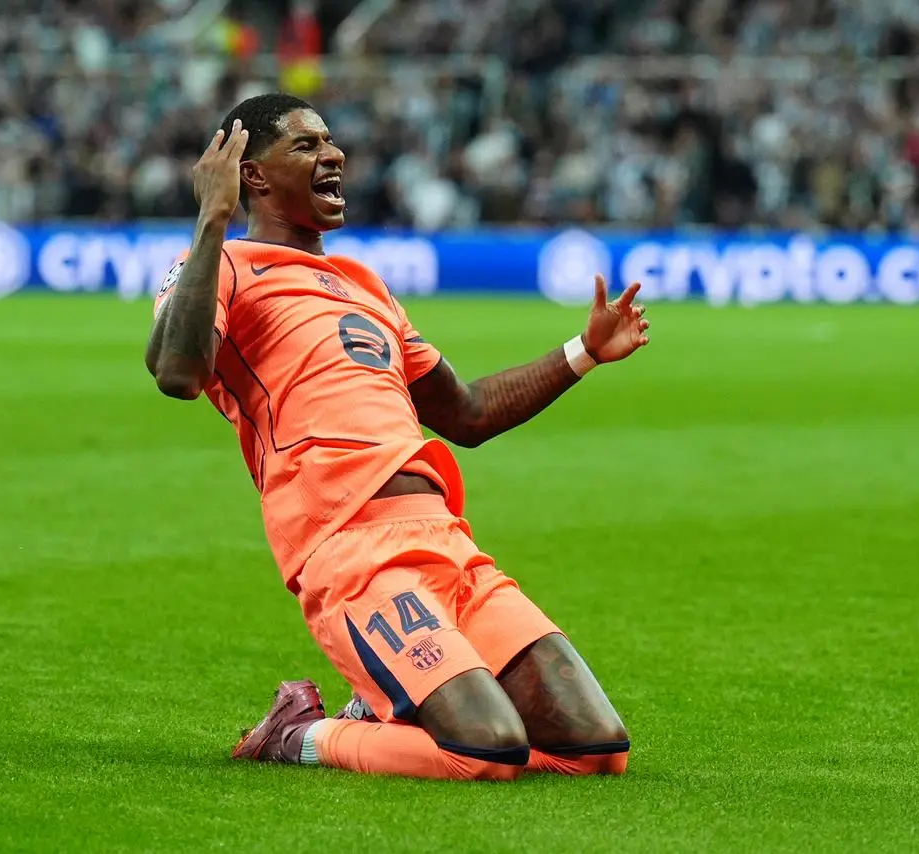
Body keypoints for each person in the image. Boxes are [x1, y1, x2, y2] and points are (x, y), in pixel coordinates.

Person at [144, 93, 651, 782]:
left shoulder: (364, 284)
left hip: (444, 540)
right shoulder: (220, 268)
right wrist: (212, 221)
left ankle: (404, 706)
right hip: (350, 549)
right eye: (305, 145)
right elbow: (177, 371)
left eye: (330, 140)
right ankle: (299, 734)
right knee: (482, 754)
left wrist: (580, 354)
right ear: (252, 177)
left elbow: (466, 412)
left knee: (596, 749)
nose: (333, 154)